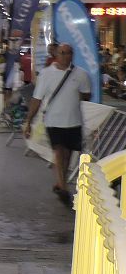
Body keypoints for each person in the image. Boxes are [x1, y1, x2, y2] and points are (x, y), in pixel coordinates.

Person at [23, 44, 92, 203]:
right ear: (56, 54)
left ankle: (60, 182)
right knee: (59, 151)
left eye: (69, 53)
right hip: (53, 121)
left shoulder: (81, 74)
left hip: (74, 121)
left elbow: (86, 94)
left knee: (67, 154)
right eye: (62, 53)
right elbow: (36, 99)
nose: (66, 56)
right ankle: (63, 188)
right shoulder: (46, 74)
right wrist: (28, 121)